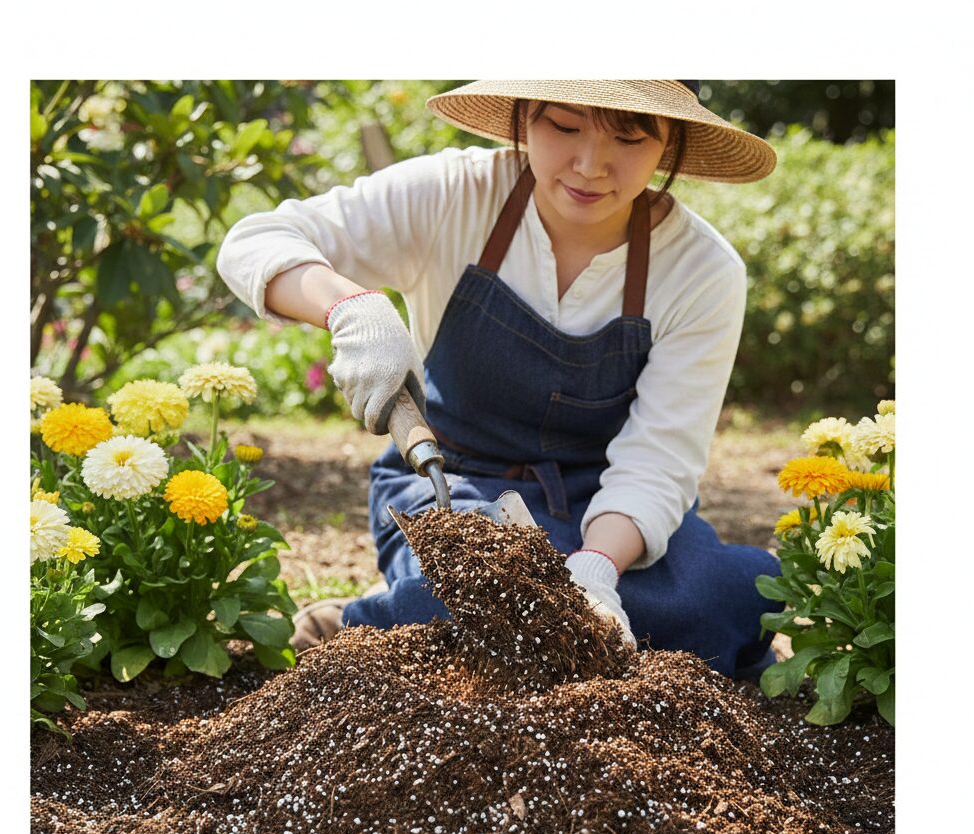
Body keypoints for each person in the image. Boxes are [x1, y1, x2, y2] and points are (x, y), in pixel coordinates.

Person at [217, 80, 783, 680]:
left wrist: (596, 569)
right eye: (564, 127)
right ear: (523, 114)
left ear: (671, 140)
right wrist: (350, 308)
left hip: (611, 504)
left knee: (725, 601)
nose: (590, 166)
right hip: (455, 481)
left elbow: (658, 462)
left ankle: (404, 626)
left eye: (630, 137)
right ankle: (364, 628)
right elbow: (254, 241)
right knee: (491, 594)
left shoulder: (701, 269)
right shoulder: (454, 194)